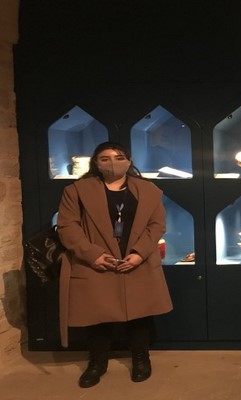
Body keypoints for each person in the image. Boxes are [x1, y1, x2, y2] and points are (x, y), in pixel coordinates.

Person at [57, 141, 173, 388]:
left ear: (129, 161)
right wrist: (92, 255)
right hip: (96, 263)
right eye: (105, 158)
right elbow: (67, 226)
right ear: (95, 163)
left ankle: (141, 359)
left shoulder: (148, 190)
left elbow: (157, 225)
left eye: (119, 158)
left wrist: (139, 253)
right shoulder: (76, 191)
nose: (113, 163)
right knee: (97, 316)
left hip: (136, 260)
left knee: (139, 315)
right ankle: (97, 363)